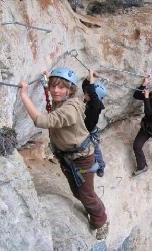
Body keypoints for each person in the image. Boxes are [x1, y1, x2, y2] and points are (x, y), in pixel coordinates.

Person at [19, 67, 109, 240]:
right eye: (54, 86)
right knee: (78, 192)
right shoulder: (61, 102)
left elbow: (41, 120)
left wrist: (24, 95)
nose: (55, 91)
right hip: (69, 157)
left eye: (61, 87)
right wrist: (46, 81)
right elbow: (50, 101)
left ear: (70, 90)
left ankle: (101, 221)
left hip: (81, 159)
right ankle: (91, 208)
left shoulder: (69, 109)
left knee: (86, 194)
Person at [82, 69, 107, 177]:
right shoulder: (91, 100)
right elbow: (85, 85)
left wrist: (92, 74)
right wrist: (90, 76)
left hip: (90, 132)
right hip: (84, 129)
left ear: (94, 97)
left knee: (96, 150)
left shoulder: (95, 106)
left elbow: (91, 91)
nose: (84, 95)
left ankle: (100, 166)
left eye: (87, 94)